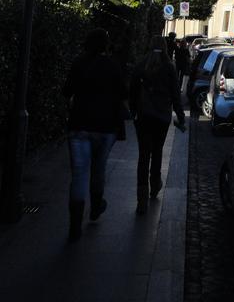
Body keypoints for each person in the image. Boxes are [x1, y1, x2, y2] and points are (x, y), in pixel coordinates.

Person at [62, 28, 127, 242]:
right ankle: (96, 206)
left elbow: (66, 91)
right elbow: (122, 94)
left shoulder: (79, 63)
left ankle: (74, 225)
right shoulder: (113, 66)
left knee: (79, 174)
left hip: (80, 125)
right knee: (98, 169)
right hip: (105, 127)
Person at [130, 35, 186, 214]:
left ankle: (141, 197)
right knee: (157, 151)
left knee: (143, 155)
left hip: (144, 115)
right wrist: (180, 115)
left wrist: (133, 111)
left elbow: (132, 90)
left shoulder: (141, 64)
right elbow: (176, 95)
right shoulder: (169, 67)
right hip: (162, 116)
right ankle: (155, 185)